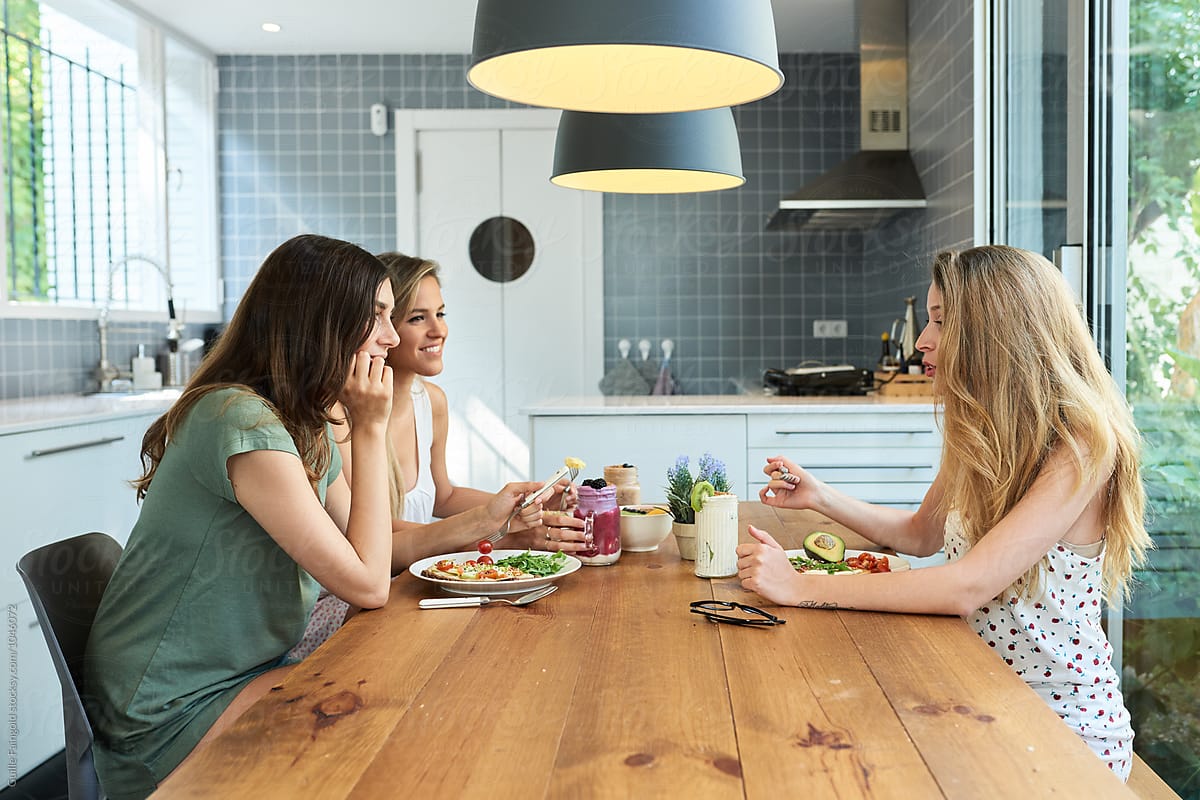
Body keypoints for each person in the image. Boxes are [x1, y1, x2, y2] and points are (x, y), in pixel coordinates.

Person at [736, 245, 1151, 781]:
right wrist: (821, 497)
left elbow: (965, 587)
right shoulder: (980, 432)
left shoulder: (1080, 449)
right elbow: (919, 535)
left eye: (940, 321)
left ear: (996, 331)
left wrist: (799, 587)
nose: (922, 341)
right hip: (977, 692)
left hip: (1062, 730)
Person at [83, 234, 401, 800]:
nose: (391, 337)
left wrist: (494, 524)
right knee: (370, 728)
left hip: (246, 671)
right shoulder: (239, 419)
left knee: (386, 699)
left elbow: (371, 546)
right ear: (322, 320)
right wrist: (371, 428)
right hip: (170, 708)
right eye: (376, 316)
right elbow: (370, 582)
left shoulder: (301, 420)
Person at [285, 252, 585, 660]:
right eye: (416, 318)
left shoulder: (432, 402)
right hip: (367, 595)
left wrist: (524, 502)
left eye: (440, 314)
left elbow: (441, 495)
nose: (438, 330)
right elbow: (372, 533)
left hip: (415, 577)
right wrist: (495, 534)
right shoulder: (338, 415)